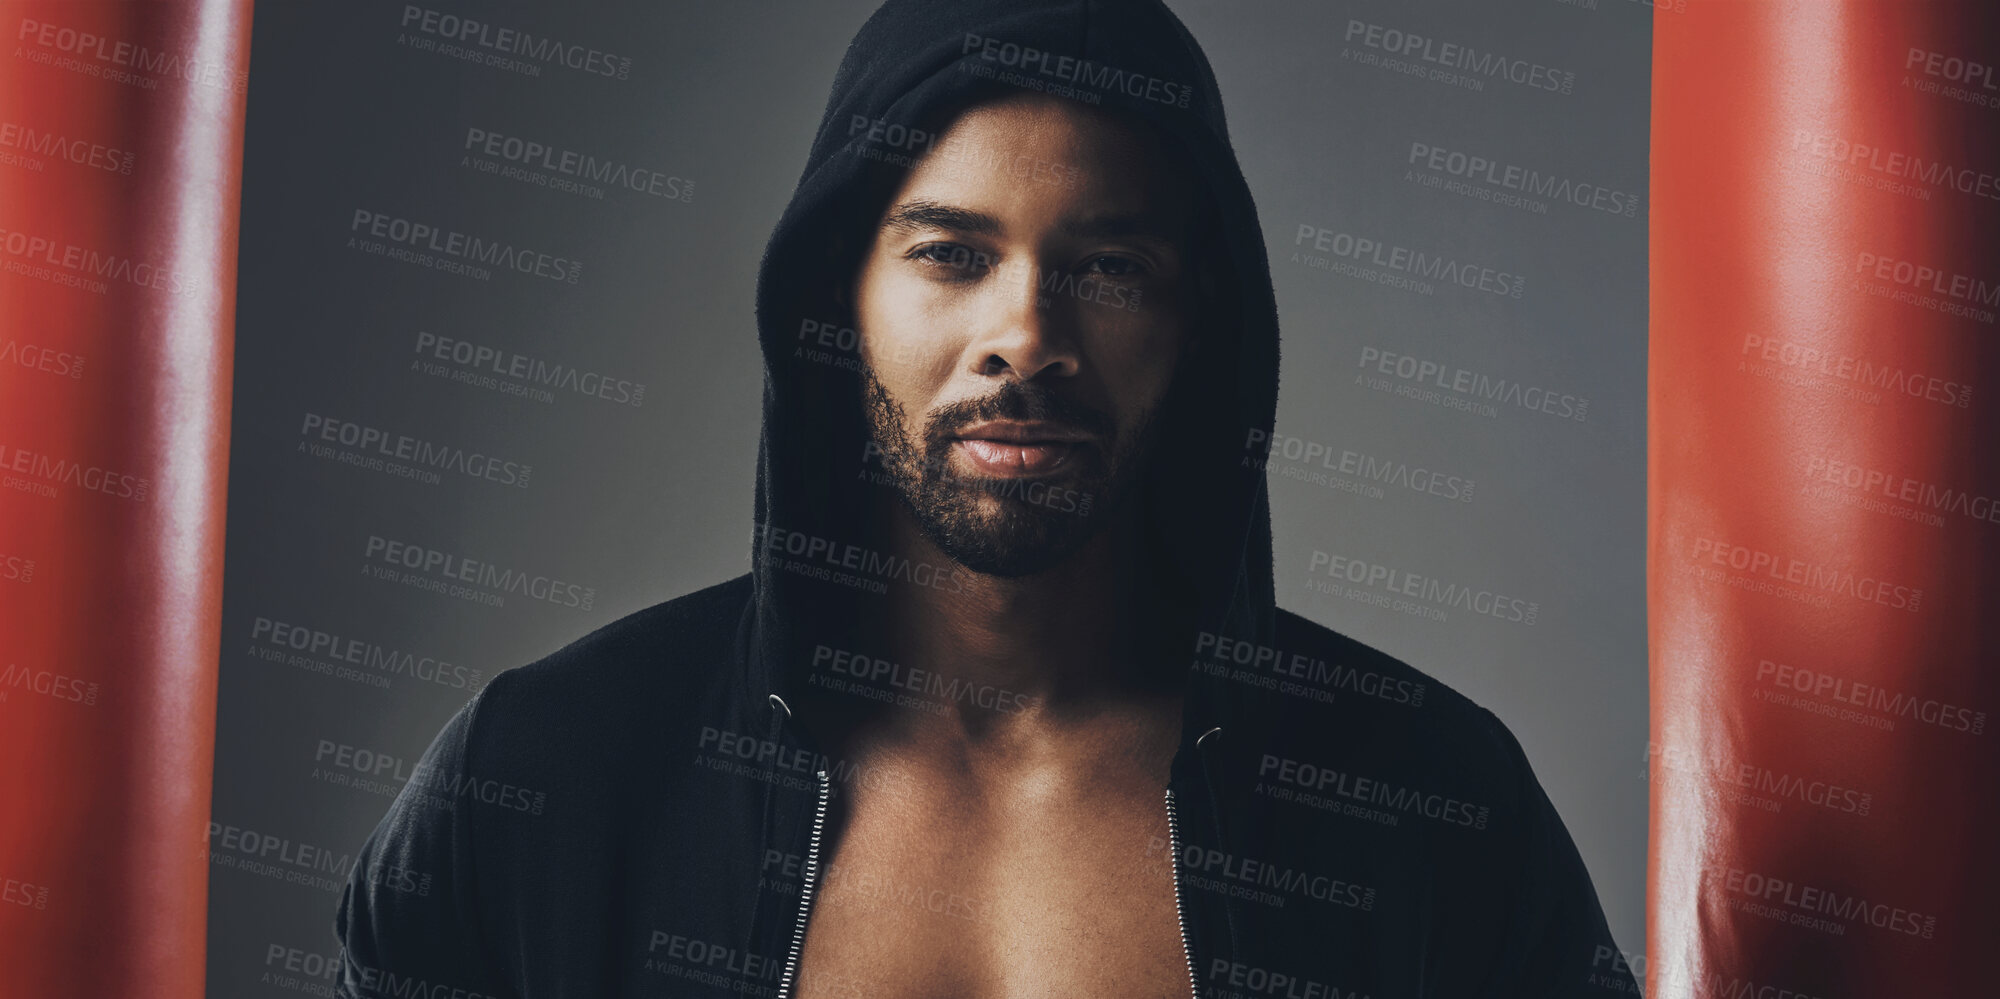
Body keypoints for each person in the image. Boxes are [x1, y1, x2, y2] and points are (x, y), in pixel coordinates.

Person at [336, 1, 1636, 996]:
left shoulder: (1426, 799)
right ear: (835, 301)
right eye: (952, 255)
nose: (1026, 332)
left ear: (1200, 324)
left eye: (1110, 265)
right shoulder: (550, 777)